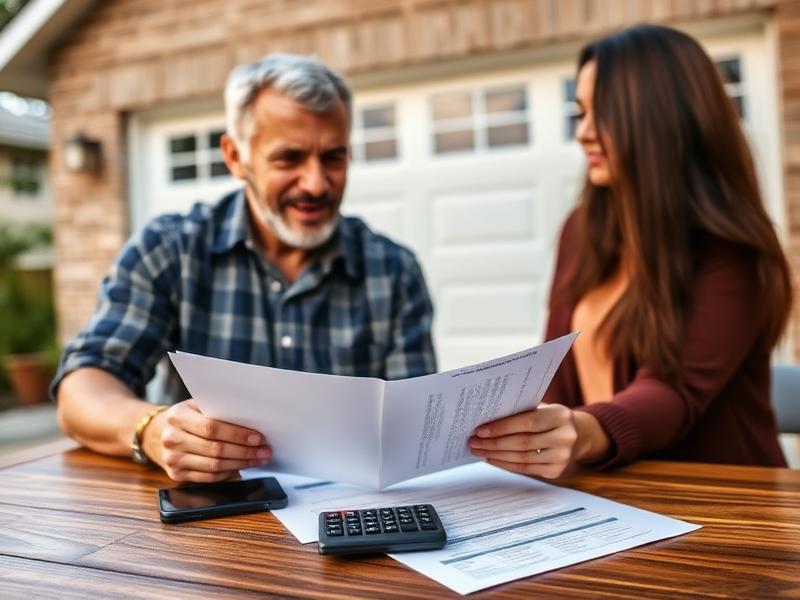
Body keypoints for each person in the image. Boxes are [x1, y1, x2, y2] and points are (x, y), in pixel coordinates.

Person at [54, 53, 437, 482]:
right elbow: (82, 389)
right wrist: (153, 429)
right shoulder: (169, 249)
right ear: (236, 157)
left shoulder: (394, 271)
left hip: (347, 527)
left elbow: (414, 429)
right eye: (289, 158)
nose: (316, 183)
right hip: (209, 530)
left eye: (333, 157)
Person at [469, 24, 793, 476]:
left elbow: (675, 391)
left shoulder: (732, 250)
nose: (583, 132)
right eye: (579, 113)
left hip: (723, 504)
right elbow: (555, 371)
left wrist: (581, 431)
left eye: (603, 112)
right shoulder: (580, 230)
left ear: (662, 117)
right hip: (612, 495)